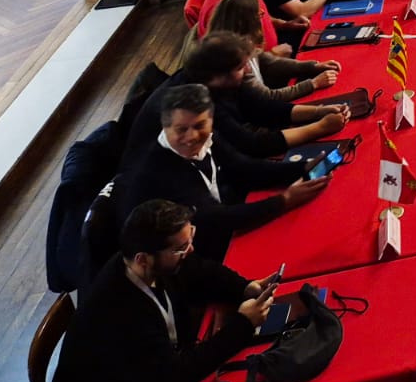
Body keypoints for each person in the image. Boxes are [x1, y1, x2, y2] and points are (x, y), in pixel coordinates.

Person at [51, 198, 276, 382]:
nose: (190, 250)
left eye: (190, 238)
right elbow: (175, 376)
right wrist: (243, 324)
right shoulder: (121, 312)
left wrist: (245, 287)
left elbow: (199, 270)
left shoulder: (146, 263)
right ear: (143, 259)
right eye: (181, 248)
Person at [117, 84, 325, 262]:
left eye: (200, 125)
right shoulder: (158, 172)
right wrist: (285, 200)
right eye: (181, 129)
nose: (192, 136)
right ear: (165, 126)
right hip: (189, 256)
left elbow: (244, 169)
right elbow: (216, 220)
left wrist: (302, 168)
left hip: (220, 227)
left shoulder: (208, 139)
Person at [123, 34, 347, 163]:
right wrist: (319, 128)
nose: (248, 71)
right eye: (241, 68)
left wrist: (319, 111)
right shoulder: (196, 101)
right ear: (219, 75)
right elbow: (251, 145)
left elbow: (263, 108)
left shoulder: (219, 81)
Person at [205, 0, 340, 105]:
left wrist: (313, 66)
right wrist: (314, 83)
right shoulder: (235, 61)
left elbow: (270, 62)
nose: (263, 15)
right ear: (247, 23)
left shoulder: (241, 43)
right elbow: (268, 98)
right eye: (259, 14)